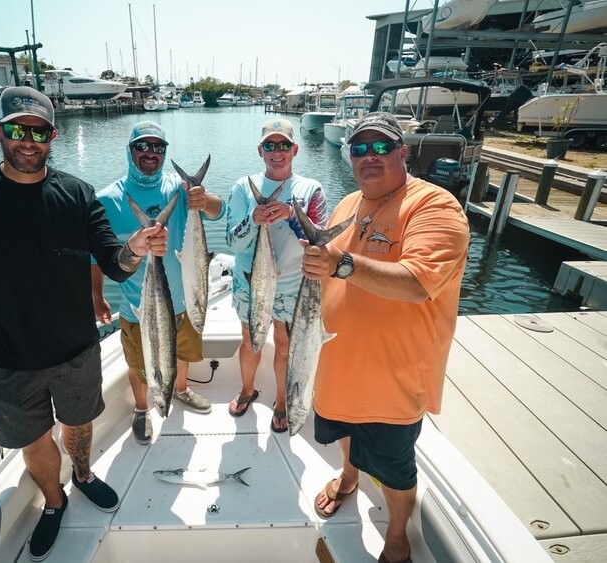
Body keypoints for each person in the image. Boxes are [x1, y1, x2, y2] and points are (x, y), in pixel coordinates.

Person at [0, 86, 165, 562]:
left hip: (76, 349)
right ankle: (54, 499)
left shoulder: (78, 194)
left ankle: (82, 475)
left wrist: (136, 249)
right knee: (32, 439)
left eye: (39, 131)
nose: (28, 141)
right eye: (18, 129)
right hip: (8, 359)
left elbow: (113, 260)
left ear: (52, 136)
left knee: (80, 423)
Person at [301, 112, 470, 563]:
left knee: (395, 468)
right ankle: (349, 477)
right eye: (360, 148)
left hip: (393, 375)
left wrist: (342, 263)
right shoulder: (347, 204)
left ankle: (396, 536)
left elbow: (417, 281)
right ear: (349, 156)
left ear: (403, 152)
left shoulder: (434, 206)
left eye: (381, 148)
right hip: (336, 363)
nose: (369, 157)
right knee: (341, 428)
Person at [91, 121, 225, 444]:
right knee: (141, 364)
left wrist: (203, 200)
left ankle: (180, 389)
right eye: (143, 146)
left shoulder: (179, 189)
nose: (150, 153)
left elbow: (218, 212)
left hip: (185, 300)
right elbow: (94, 256)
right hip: (139, 308)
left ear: (165, 152)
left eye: (158, 147)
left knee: (181, 353)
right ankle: (141, 408)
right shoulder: (107, 199)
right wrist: (96, 295)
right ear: (130, 149)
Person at [226, 118, 328, 432]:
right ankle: (247, 390)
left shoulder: (311, 189)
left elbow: (322, 240)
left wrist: (292, 215)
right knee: (250, 341)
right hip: (250, 281)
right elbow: (233, 240)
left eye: (283, 145)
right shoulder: (243, 187)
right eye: (270, 145)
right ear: (261, 150)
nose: (277, 151)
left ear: (294, 149)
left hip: (291, 285)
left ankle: (282, 401)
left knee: (284, 345)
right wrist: (253, 219)